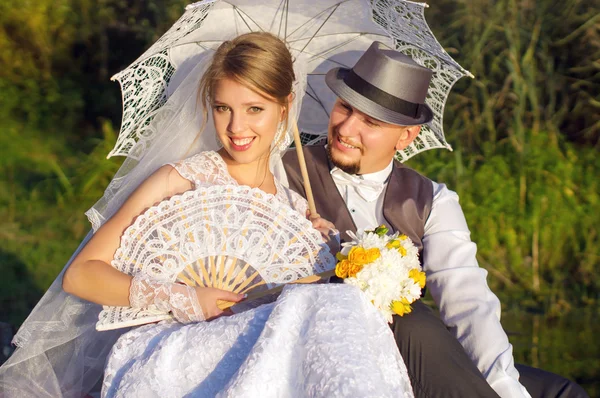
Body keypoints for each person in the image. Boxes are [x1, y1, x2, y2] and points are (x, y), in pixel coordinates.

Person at [0, 33, 414, 398]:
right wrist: (184, 298)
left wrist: (320, 257)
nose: (236, 127)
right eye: (222, 108)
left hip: (258, 361)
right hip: (174, 352)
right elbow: (82, 274)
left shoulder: (292, 206)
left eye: (255, 109)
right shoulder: (179, 182)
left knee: (333, 312)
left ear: (285, 106)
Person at [283, 41, 590, 398]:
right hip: (342, 356)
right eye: (344, 107)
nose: (347, 129)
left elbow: (469, 304)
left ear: (406, 136)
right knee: (415, 323)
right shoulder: (286, 174)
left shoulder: (432, 200)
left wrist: (506, 388)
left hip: (422, 359)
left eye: (370, 121)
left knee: (560, 392)